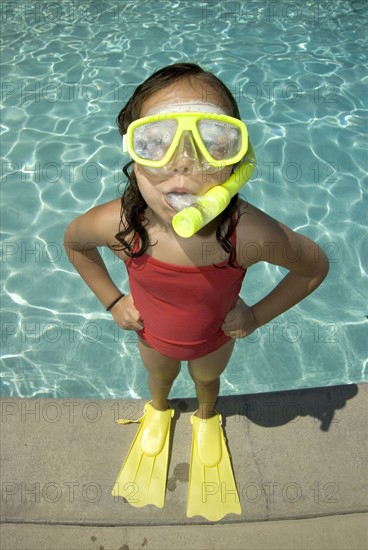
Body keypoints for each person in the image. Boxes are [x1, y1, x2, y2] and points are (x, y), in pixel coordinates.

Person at [64, 63, 329, 520]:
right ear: (133, 154)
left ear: (234, 159)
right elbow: (75, 245)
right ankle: (160, 409)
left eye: (212, 139)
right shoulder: (120, 226)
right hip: (152, 335)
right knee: (159, 376)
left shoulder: (246, 233)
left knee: (207, 379)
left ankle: (207, 415)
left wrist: (256, 315)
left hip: (213, 338)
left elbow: (313, 267)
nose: (183, 162)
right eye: (156, 140)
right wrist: (112, 300)